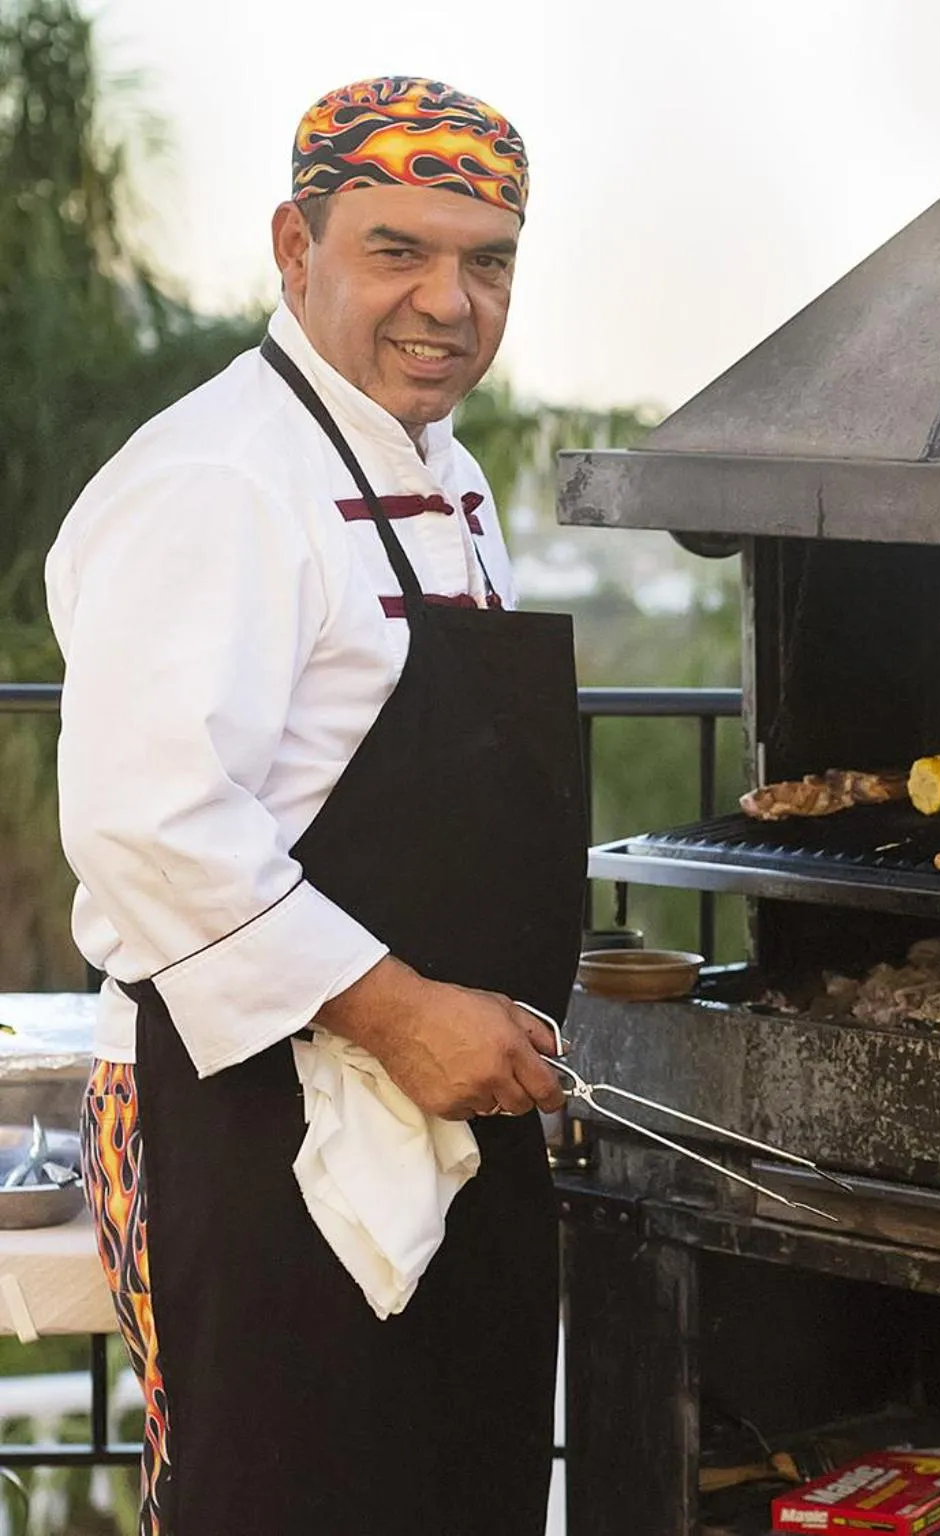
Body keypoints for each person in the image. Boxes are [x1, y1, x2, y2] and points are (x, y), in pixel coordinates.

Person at [46, 77, 583, 1536]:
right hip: (240, 1113)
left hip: (441, 1098)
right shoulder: (220, 478)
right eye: (397, 249)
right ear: (297, 248)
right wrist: (405, 1011)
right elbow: (149, 821)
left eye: (488, 261)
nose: (448, 302)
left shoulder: (446, 474)